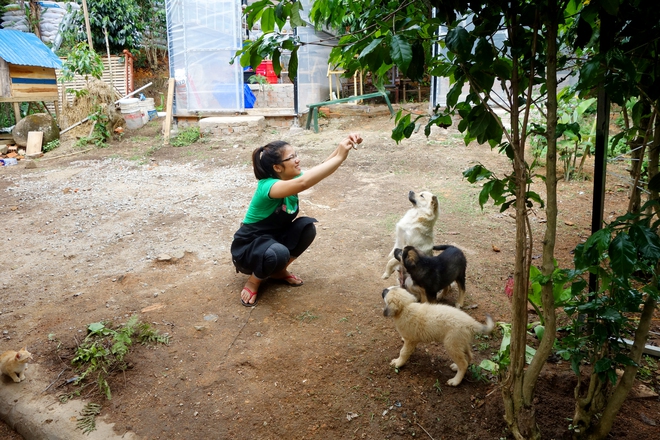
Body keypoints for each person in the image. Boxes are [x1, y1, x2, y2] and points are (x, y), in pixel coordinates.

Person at [231, 133, 363, 306]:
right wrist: (339, 156)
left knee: (306, 227)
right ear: (277, 168)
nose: (297, 160)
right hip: (249, 250)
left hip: (272, 241)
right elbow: (304, 183)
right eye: (291, 157)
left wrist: (341, 149)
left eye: (296, 154)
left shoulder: (289, 178)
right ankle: (254, 280)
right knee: (278, 252)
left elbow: (320, 169)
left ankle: (278, 271)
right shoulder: (269, 186)